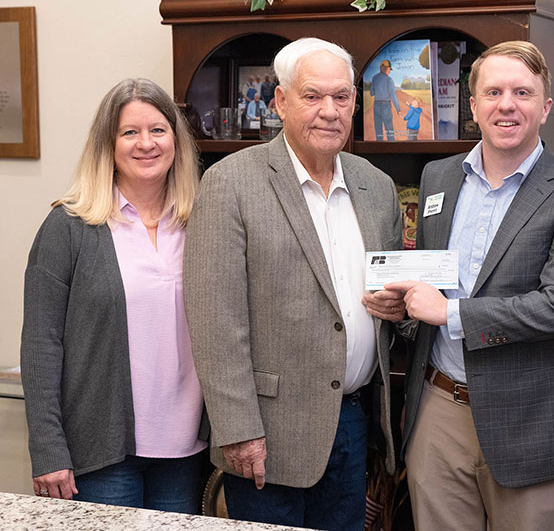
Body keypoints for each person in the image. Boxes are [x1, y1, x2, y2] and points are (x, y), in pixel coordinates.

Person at [365, 40, 554, 531]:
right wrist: (405, 307)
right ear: (473, 106)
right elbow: (436, 278)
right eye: (493, 92)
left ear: (545, 107)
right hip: (437, 408)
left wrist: (449, 314)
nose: (507, 104)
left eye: (522, 92)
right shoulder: (438, 177)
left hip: (529, 418)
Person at [183, 37, 404, 530]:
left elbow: (391, 293)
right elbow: (214, 319)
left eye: (342, 96)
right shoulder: (230, 183)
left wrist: (399, 309)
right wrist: (238, 429)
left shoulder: (377, 186)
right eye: (312, 96)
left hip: (352, 421)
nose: (329, 111)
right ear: (280, 101)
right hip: (267, 431)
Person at [20, 78, 205, 512]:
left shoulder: (201, 222)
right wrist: (48, 450)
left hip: (185, 448)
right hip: (101, 453)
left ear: (176, 140)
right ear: (108, 144)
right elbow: (40, 345)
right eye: (130, 132)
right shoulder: (68, 225)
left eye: (158, 130)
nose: (146, 144)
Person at [369, 59, 401, 140]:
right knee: (389, 130)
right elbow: (393, 95)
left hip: (376, 106)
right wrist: (398, 109)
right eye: (389, 69)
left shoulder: (374, 78)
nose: (389, 71)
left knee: (378, 131)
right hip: (386, 106)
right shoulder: (389, 80)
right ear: (387, 68)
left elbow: (371, 93)